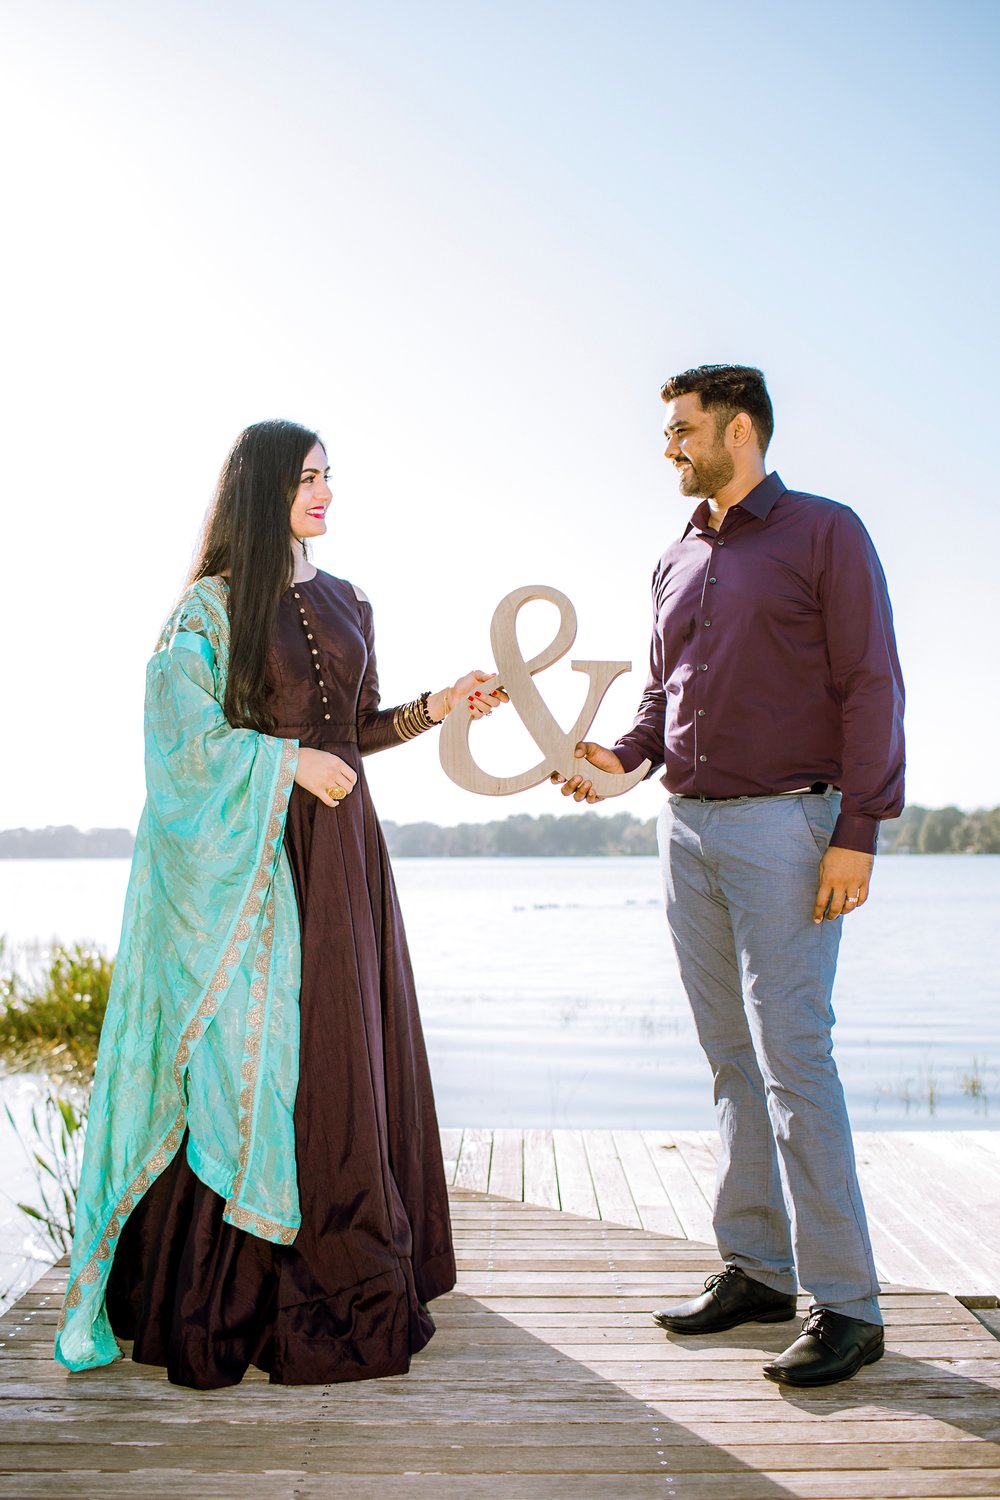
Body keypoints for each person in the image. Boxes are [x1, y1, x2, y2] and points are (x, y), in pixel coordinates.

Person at [56, 418, 503, 1388]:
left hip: (346, 856)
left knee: (347, 1057)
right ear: (262, 490)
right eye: (308, 479)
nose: (326, 494)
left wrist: (443, 704)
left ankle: (361, 1264)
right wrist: (284, 763)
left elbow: (359, 727)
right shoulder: (209, 611)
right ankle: (244, 1295)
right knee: (270, 1060)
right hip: (259, 868)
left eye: (330, 477)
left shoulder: (349, 601)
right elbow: (177, 745)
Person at [554, 365, 904, 1387]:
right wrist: (616, 761)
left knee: (796, 1059)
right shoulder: (672, 559)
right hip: (686, 834)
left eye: (682, 429)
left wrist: (861, 829)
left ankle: (847, 1305)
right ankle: (756, 1269)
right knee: (727, 1057)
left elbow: (871, 680)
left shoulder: (825, 533)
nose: (668, 445)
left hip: (790, 830)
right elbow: (661, 698)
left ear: (738, 429)